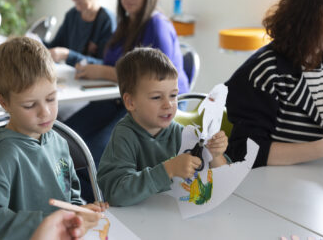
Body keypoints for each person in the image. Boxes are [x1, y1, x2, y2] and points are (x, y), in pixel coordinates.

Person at [65, 0, 189, 203]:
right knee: (66, 137)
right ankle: (75, 199)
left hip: (146, 102)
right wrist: (87, 63)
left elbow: (154, 80)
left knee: (90, 150)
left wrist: (103, 71)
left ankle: (100, 201)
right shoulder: (125, 23)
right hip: (120, 97)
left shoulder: (156, 24)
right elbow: (116, 65)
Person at [0, 37, 102, 240]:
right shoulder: (4, 154)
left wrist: (79, 214)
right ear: (4, 102)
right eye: (30, 105)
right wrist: (52, 222)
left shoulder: (59, 143)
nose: (45, 112)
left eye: (51, 98)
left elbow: (70, 195)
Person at [225, 0, 323, 167]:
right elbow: (244, 151)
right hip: (271, 190)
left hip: (315, 185)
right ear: (308, 17)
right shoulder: (265, 72)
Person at [97, 47, 228, 206]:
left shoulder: (181, 133)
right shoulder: (124, 136)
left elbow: (224, 181)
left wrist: (215, 155)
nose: (168, 104)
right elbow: (116, 194)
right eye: (156, 97)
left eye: (173, 95)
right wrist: (168, 170)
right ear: (131, 102)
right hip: (137, 224)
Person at [44, 0, 115, 66]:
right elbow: (54, 46)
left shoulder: (107, 21)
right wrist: (35, 43)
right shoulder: (71, 15)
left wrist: (67, 55)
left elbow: (106, 65)